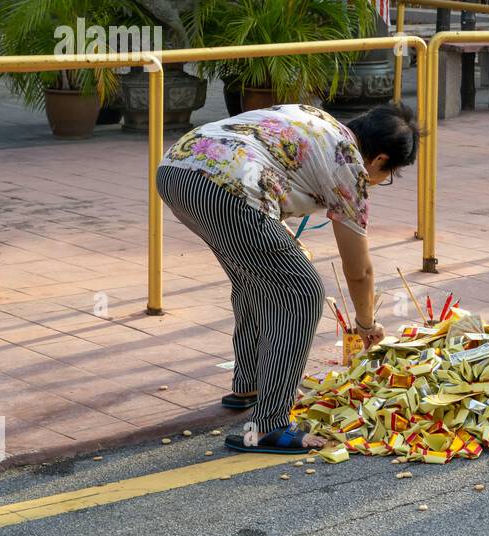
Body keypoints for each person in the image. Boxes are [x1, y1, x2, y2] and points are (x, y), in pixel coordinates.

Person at [155, 102, 418, 454]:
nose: (380, 181)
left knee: (252, 279)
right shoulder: (350, 168)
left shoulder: (318, 118)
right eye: (387, 176)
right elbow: (359, 270)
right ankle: (271, 425)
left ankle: (248, 384)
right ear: (381, 160)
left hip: (177, 169)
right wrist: (366, 324)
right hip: (227, 186)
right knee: (303, 292)